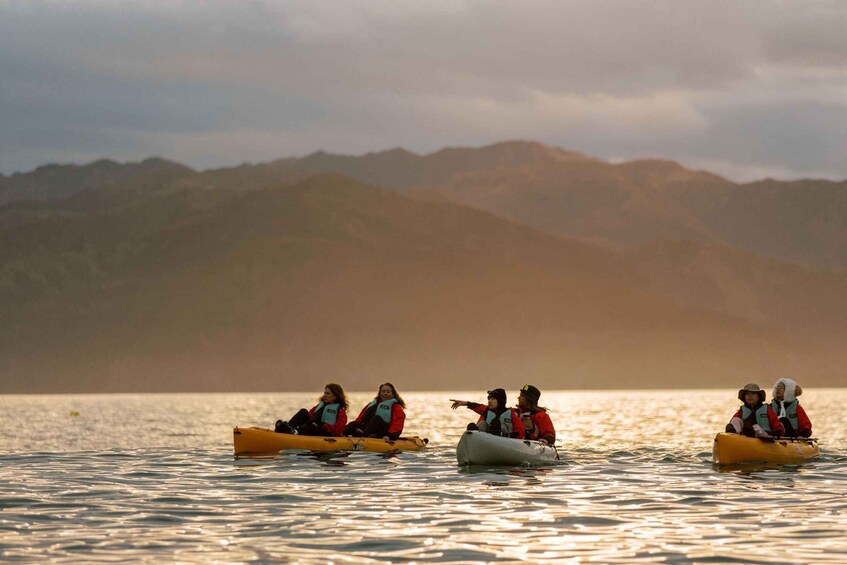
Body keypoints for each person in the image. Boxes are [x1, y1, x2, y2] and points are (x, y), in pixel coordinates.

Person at [275, 383, 348, 437]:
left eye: (328, 393)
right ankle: (287, 429)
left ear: (335, 396)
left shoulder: (340, 411)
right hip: (312, 428)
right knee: (303, 412)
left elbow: (338, 431)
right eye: (325, 393)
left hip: (325, 433)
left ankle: (295, 432)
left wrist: (322, 424)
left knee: (313, 425)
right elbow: (310, 416)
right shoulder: (320, 405)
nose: (325, 395)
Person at [449, 388, 525, 439]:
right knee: (477, 424)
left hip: (505, 440)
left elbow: (520, 431)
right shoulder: (486, 410)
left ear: (500, 401)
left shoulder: (511, 413)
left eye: (493, 399)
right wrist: (465, 403)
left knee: (496, 423)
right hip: (487, 440)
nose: (489, 401)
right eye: (489, 398)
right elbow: (476, 406)